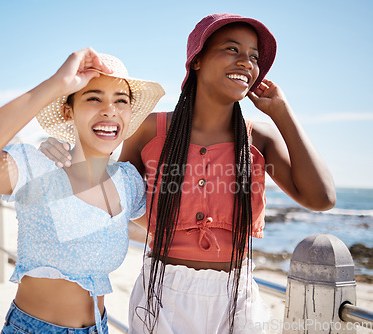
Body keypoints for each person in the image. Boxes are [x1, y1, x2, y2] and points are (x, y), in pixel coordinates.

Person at [40, 13, 336, 334]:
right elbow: (122, 200)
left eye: (253, 57)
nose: (246, 63)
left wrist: (282, 112)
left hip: (236, 297)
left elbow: (321, 198)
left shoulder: (259, 137)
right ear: (196, 61)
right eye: (232, 49)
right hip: (162, 292)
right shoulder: (151, 129)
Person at [0, 48, 164, 334]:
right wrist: (56, 84)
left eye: (120, 100)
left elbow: (157, 231)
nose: (109, 109)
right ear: (67, 110)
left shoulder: (128, 182)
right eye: (93, 97)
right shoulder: (39, 168)